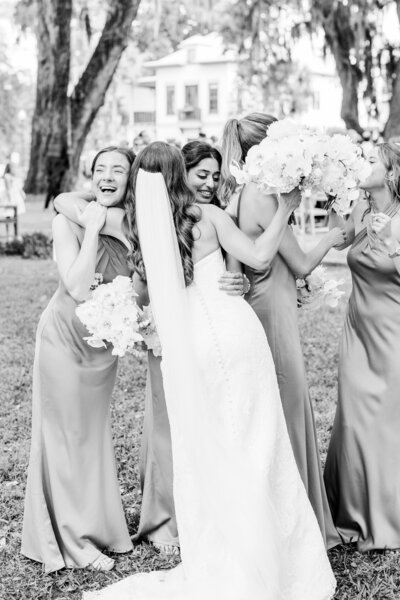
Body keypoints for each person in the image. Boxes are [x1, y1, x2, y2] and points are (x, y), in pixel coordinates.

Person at [83, 141, 336, 600]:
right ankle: (278, 561)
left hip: (189, 350)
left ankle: (226, 558)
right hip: (236, 334)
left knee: (209, 450)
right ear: (181, 173)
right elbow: (260, 258)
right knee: (258, 441)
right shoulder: (210, 217)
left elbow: (142, 297)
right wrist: (286, 209)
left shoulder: (140, 230)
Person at [219, 113, 344, 549]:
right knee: (286, 401)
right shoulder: (263, 194)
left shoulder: (237, 191)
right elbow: (302, 261)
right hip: (270, 312)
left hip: (264, 304)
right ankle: (296, 521)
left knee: (270, 404)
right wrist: (335, 235)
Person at [21, 146, 136, 573]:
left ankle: (98, 526)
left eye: (118, 170)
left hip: (103, 347)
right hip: (64, 339)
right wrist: (90, 228)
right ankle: (72, 540)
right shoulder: (66, 219)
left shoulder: (137, 225)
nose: (107, 176)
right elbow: (76, 286)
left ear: (131, 178)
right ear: (89, 177)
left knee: (90, 438)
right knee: (65, 436)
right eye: (100, 169)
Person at [134, 141, 247, 553]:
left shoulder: (211, 215)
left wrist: (241, 278)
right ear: (181, 173)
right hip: (179, 334)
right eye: (201, 174)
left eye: (216, 176)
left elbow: (234, 267)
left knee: (211, 421)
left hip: (209, 329)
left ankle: (213, 511)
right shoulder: (171, 219)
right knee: (179, 425)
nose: (209, 182)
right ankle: (177, 514)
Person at [324, 142, 400, 551]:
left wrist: (391, 243)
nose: (360, 164)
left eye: (370, 159)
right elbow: (339, 242)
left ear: (390, 173)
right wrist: (337, 195)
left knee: (386, 420)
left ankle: (387, 514)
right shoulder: (363, 210)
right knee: (353, 414)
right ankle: (350, 510)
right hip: (358, 329)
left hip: (394, 334)